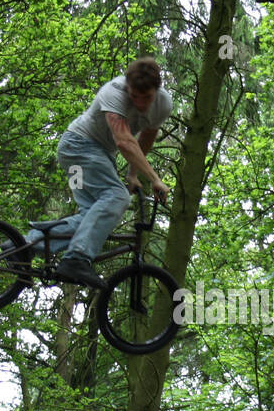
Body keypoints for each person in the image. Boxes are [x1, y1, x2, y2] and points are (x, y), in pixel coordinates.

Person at [20, 57, 173, 290]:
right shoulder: (113, 92)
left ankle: (25, 245)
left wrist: (133, 175)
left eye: (147, 98)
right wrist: (154, 179)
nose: (140, 104)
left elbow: (146, 138)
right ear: (127, 88)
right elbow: (124, 141)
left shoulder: (163, 104)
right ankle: (77, 258)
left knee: (91, 216)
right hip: (77, 148)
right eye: (134, 97)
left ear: (157, 90)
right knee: (117, 197)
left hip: (92, 156)